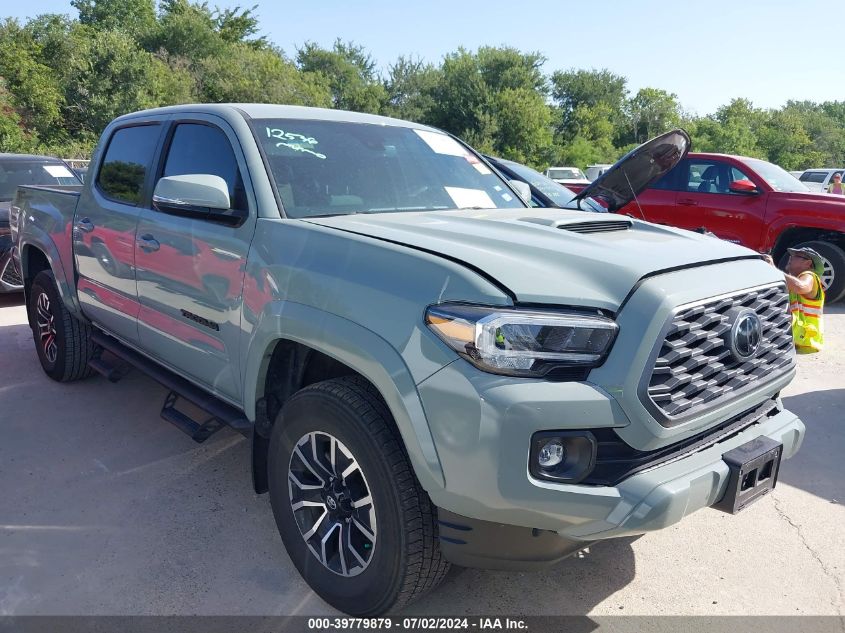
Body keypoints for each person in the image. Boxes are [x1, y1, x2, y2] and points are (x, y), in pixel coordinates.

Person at [763, 247, 825, 353]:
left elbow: (800, 286)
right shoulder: (794, 280)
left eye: (796, 256)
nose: (790, 258)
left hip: (807, 338)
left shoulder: (810, 276)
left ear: (808, 263)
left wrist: (773, 269)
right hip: (799, 339)